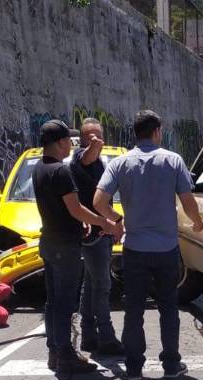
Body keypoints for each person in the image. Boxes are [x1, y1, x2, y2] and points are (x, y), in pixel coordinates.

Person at [93, 110, 203, 380]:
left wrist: (116, 221)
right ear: (157, 132)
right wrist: (198, 223)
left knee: (134, 310)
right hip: (166, 249)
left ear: (135, 133)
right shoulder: (173, 160)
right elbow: (187, 200)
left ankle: (133, 368)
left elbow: (98, 201)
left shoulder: (120, 164)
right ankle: (171, 364)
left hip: (135, 249)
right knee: (168, 307)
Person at [34, 119, 124, 375]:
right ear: (61, 142)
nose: (69, 146)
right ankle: (64, 354)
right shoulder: (60, 171)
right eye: (68, 141)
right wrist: (106, 222)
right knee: (64, 303)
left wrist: (83, 223)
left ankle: (55, 351)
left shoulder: (40, 168)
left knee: (53, 301)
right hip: (64, 245)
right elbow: (76, 209)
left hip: (50, 240)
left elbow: (65, 210)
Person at [69, 117, 125, 356]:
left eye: (97, 134)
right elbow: (86, 156)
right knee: (102, 285)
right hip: (92, 233)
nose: (94, 139)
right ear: (82, 139)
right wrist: (94, 145)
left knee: (91, 284)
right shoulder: (81, 158)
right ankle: (107, 337)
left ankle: (89, 335)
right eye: (89, 135)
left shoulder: (98, 162)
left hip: (99, 231)